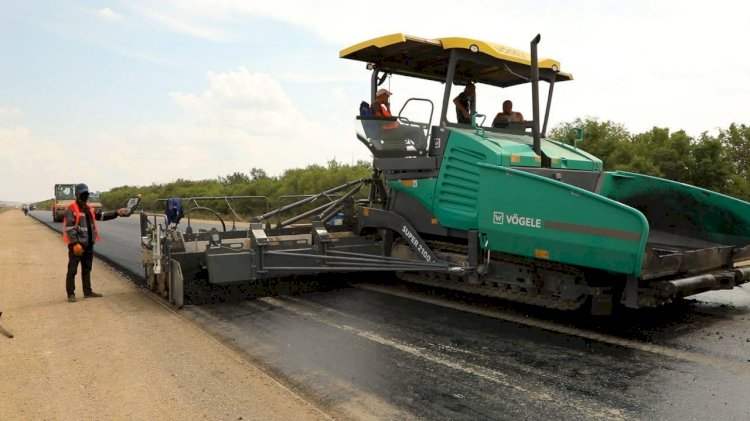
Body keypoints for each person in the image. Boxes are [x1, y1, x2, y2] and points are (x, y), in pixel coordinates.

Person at [63, 183, 131, 302]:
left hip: (88, 245)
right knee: (72, 270)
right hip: (78, 246)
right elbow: (69, 228)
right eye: (82, 194)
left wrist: (117, 213)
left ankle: (88, 292)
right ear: (77, 195)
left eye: (86, 194)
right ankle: (71, 294)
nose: (85, 196)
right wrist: (75, 244)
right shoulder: (72, 209)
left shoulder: (89, 209)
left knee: (87, 269)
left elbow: (102, 216)